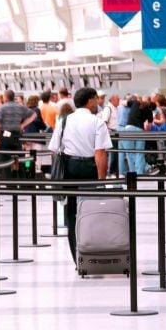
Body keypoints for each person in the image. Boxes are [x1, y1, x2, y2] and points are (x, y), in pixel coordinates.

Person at [48, 87, 112, 264]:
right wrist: (101, 182)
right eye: (96, 99)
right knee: (91, 210)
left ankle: (77, 258)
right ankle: (91, 255)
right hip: (89, 167)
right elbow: (100, 154)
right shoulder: (96, 122)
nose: (98, 103)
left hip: (69, 168)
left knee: (71, 213)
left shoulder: (65, 120)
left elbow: (54, 148)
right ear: (90, 101)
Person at [0, 90, 37, 178]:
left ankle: (9, 183)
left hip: (5, 137)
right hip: (17, 137)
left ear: (5, 97)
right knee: (20, 159)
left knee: (4, 160)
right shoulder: (20, 106)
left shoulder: (3, 107)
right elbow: (34, 115)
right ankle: (24, 181)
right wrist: (22, 125)